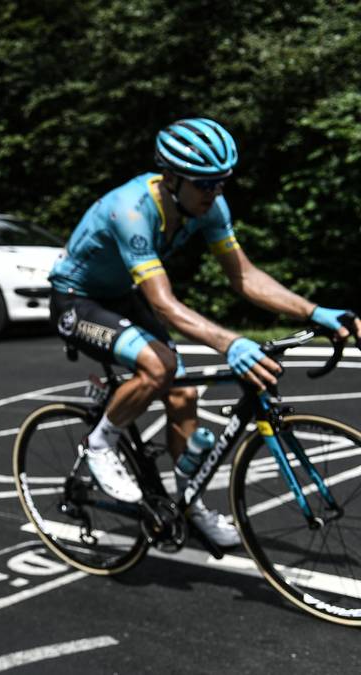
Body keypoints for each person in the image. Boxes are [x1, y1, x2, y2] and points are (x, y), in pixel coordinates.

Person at [48, 118, 361, 546]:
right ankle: (100, 444)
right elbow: (163, 303)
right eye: (204, 184)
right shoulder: (132, 210)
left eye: (221, 183)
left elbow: (244, 277)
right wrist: (230, 343)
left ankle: (190, 506)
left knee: (183, 396)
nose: (214, 193)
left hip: (121, 296)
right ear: (172, 178)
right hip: (76, 299)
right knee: (159, 366)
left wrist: (315, 312)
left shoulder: (210, 207)